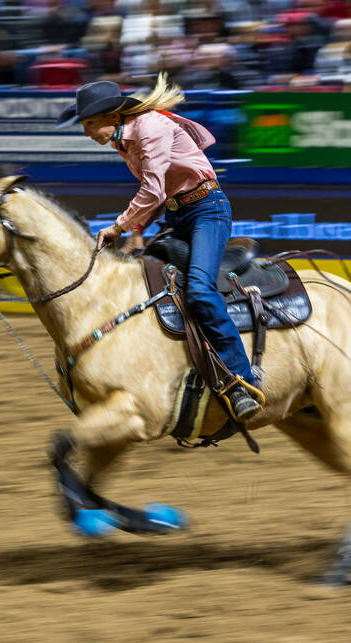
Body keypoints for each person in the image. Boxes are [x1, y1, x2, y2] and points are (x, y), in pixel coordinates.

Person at [54, 76, 265, 422]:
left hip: (207, 211)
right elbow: (160, 193)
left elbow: (152, 191)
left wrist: (119, 225)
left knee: (198, 289)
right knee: (146, 286)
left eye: (90, 123)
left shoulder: (151, 128)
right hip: (179, 215)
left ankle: (241, 380)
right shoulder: (126, 141)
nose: (87, 132)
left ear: (111, 115)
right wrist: (136, 231)